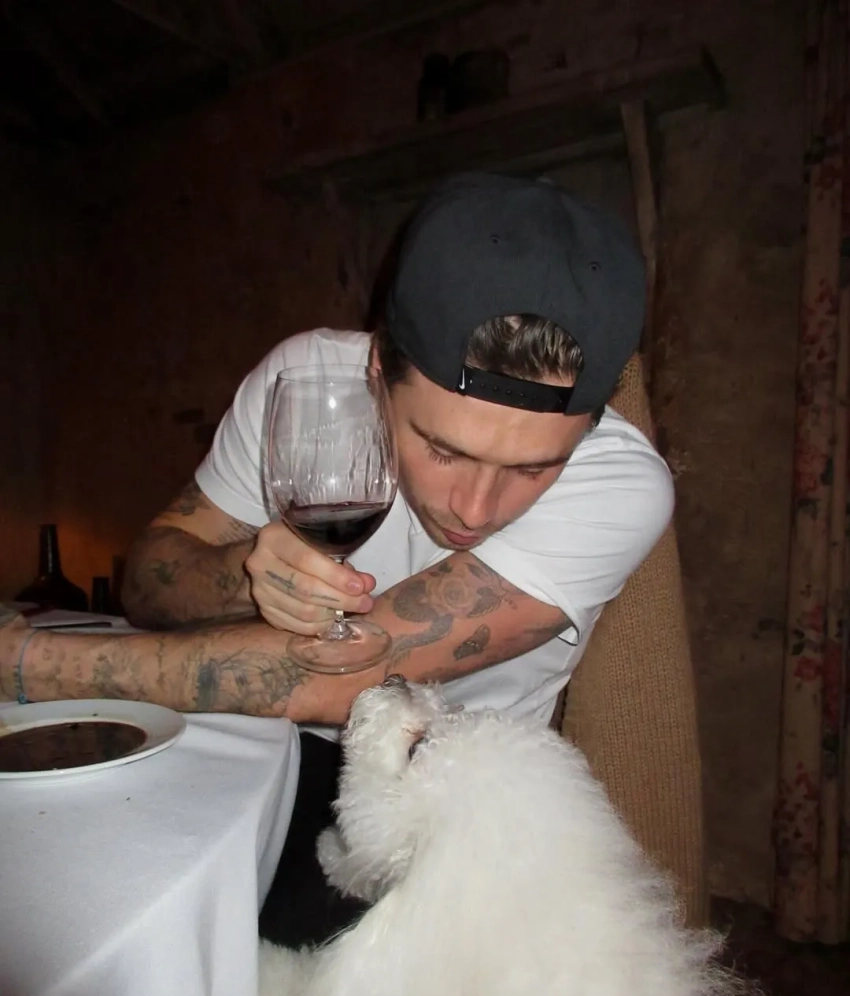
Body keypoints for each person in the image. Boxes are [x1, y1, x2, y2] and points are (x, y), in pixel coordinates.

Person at [0, 172, 674, 944]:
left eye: (533, 468)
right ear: (377, 372)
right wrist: (243, 573)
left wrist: (32, 665)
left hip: (446, 810)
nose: (475, 509)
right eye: (442, 448)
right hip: (250, 750)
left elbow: (342, 679)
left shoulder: (622, 483)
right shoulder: (305, 387)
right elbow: (146, 582)